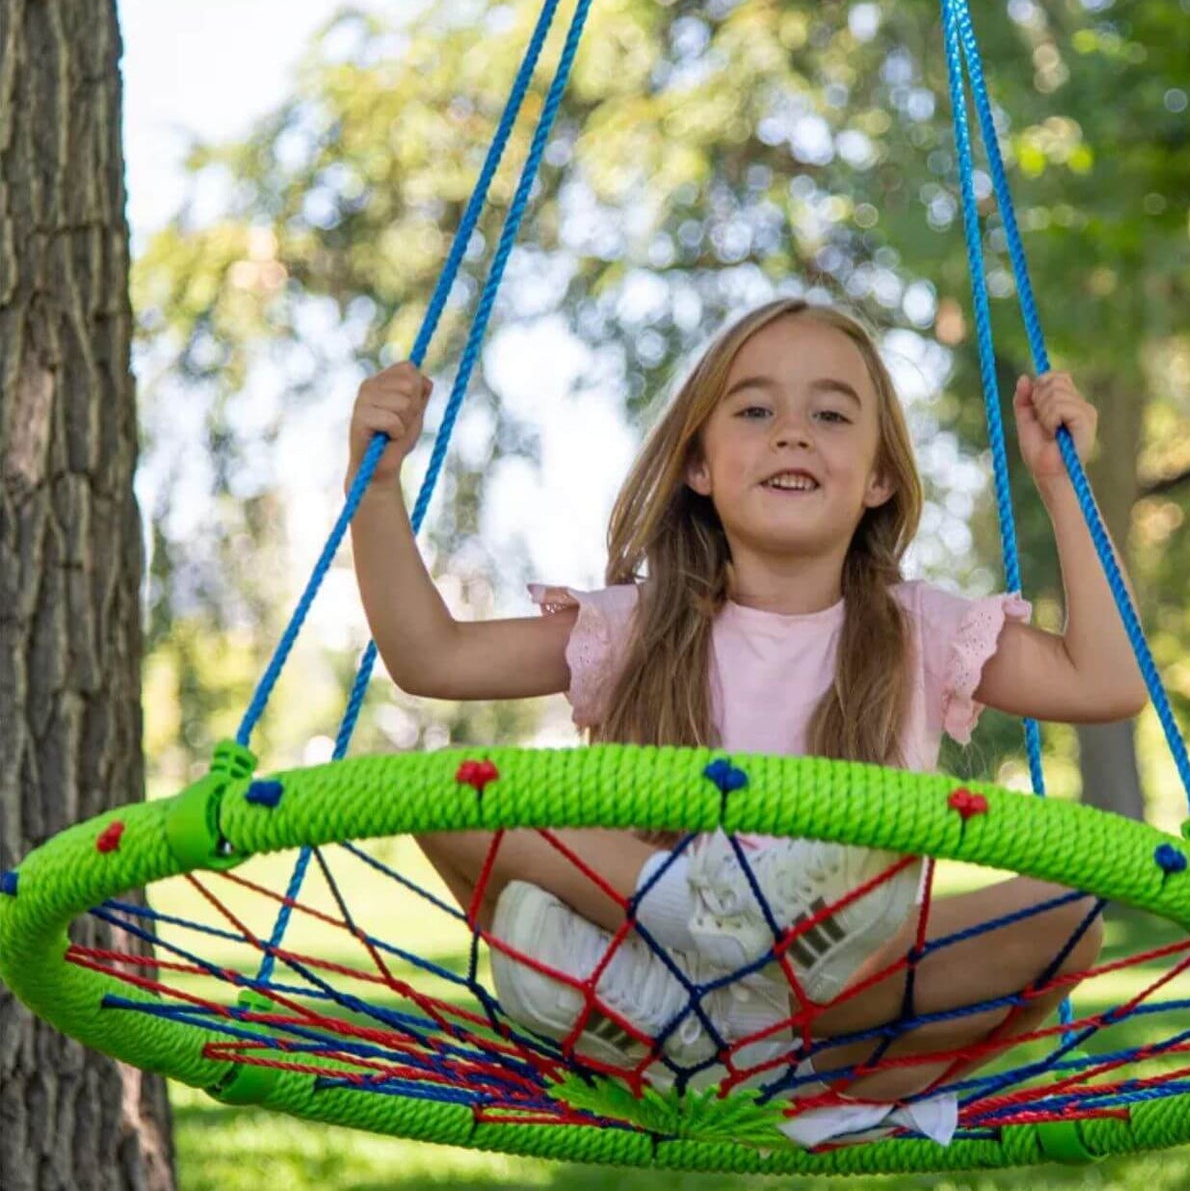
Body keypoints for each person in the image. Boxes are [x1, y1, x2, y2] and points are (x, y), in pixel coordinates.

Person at [345, 296, 1146, 1146]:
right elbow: (430, 657)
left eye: (831, 413)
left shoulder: (920, 630)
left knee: (1065, 915)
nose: (792, 431)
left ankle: (760, 1061)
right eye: (756, 409)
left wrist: (1064, 484)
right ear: (699, 464)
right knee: (444, 798)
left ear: (879, 476)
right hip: (658, 957)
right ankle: (705, 932)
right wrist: (378, 485)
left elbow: (1107, 679)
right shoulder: (637, 625)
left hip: (835, 981)